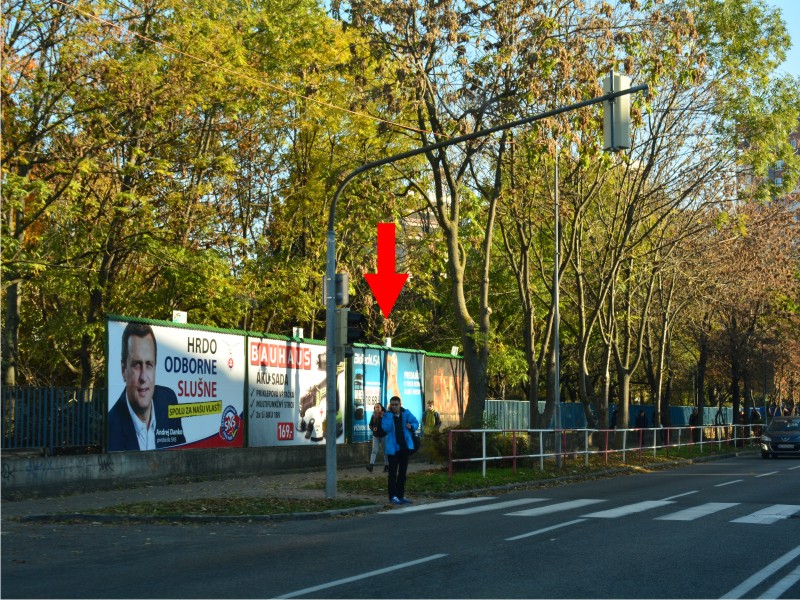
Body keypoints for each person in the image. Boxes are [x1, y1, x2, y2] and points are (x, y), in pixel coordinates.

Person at [108, 322, 185, 451]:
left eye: (149, 364)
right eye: (136, 365)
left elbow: (181, 451)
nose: (143, 377)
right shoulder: (112, 427)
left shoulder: (168, 400)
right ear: (123, 370)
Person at [381, 395, 419, 505]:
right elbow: (386, 428)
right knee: (392, 474)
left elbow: (416, 422)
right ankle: (392, 496)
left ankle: (401, 496)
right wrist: (388, 415)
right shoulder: (387, 415)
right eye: (392, 404)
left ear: (400, 404)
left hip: (404, 448)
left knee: (402, 473)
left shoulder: (406, 413)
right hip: (392, 450)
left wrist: (411, 426)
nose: (394, 406)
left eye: (396, 404)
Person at [367, 403, 389, 473]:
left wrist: (382, 417)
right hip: (375, 436)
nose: (377, 409)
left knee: (385, 451)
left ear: (381, 408)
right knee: (374, 450)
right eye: (375, 407)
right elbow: (370, 425)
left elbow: (387, 424)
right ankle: (371, 466)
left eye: (378, 407)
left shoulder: (384, 415)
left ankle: (386, 466)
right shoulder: (373, 415)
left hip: (383, 435)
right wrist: (373, 428)